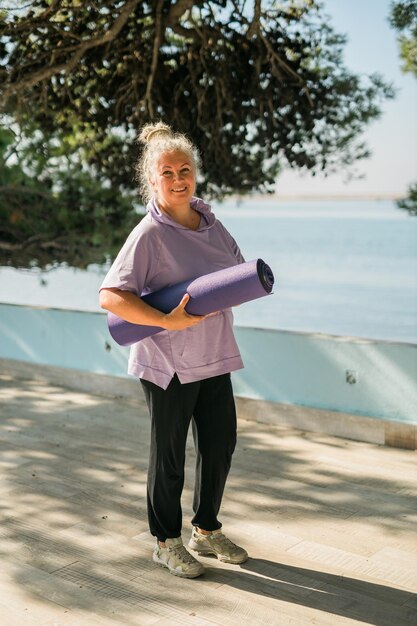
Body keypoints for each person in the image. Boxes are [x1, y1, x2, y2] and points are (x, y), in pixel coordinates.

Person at [99, 122, 248, 578]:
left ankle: (205, 529)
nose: (179, 178)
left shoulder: (213, 225)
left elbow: (234, 273)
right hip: (167, 364)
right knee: (168, 458)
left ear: (195, 174)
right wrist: (166, 320)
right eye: (168, 172)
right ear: (152, 180)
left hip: (213, 354)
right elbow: (110, 295)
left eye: (185, 169)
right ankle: (165, 541)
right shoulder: (149, 233)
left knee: (220, 444)